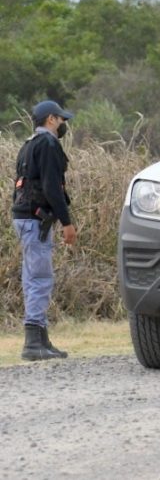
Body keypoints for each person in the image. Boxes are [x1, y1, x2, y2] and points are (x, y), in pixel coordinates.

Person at [11, 100, 78, 361]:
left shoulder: (27, 145)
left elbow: (19, 187)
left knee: (33, 277)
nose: (63, 125)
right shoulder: (49, 144)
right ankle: (33, 344)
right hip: (35, 220)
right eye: (61, 120)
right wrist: (67, 223)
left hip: (24, 218)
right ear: (51, 119)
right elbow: (52, 188)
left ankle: (42, 340)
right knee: (40, 278)